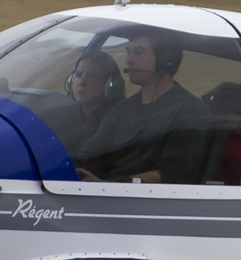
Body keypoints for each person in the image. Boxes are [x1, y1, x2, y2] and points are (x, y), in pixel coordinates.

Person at [80, 30, 214, 183]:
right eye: (128, 52)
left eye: (138, 53)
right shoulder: (122, 109)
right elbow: (90, 155)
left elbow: (173, 173)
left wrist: (113, 186)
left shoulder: (190, 112)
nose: (129, 60)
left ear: (166, 60)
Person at [62, 49, 124, 161]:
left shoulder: (116, 124)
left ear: (110, 85)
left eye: (91, 76)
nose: (82, 82)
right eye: (79, 75)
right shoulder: (64, 118)